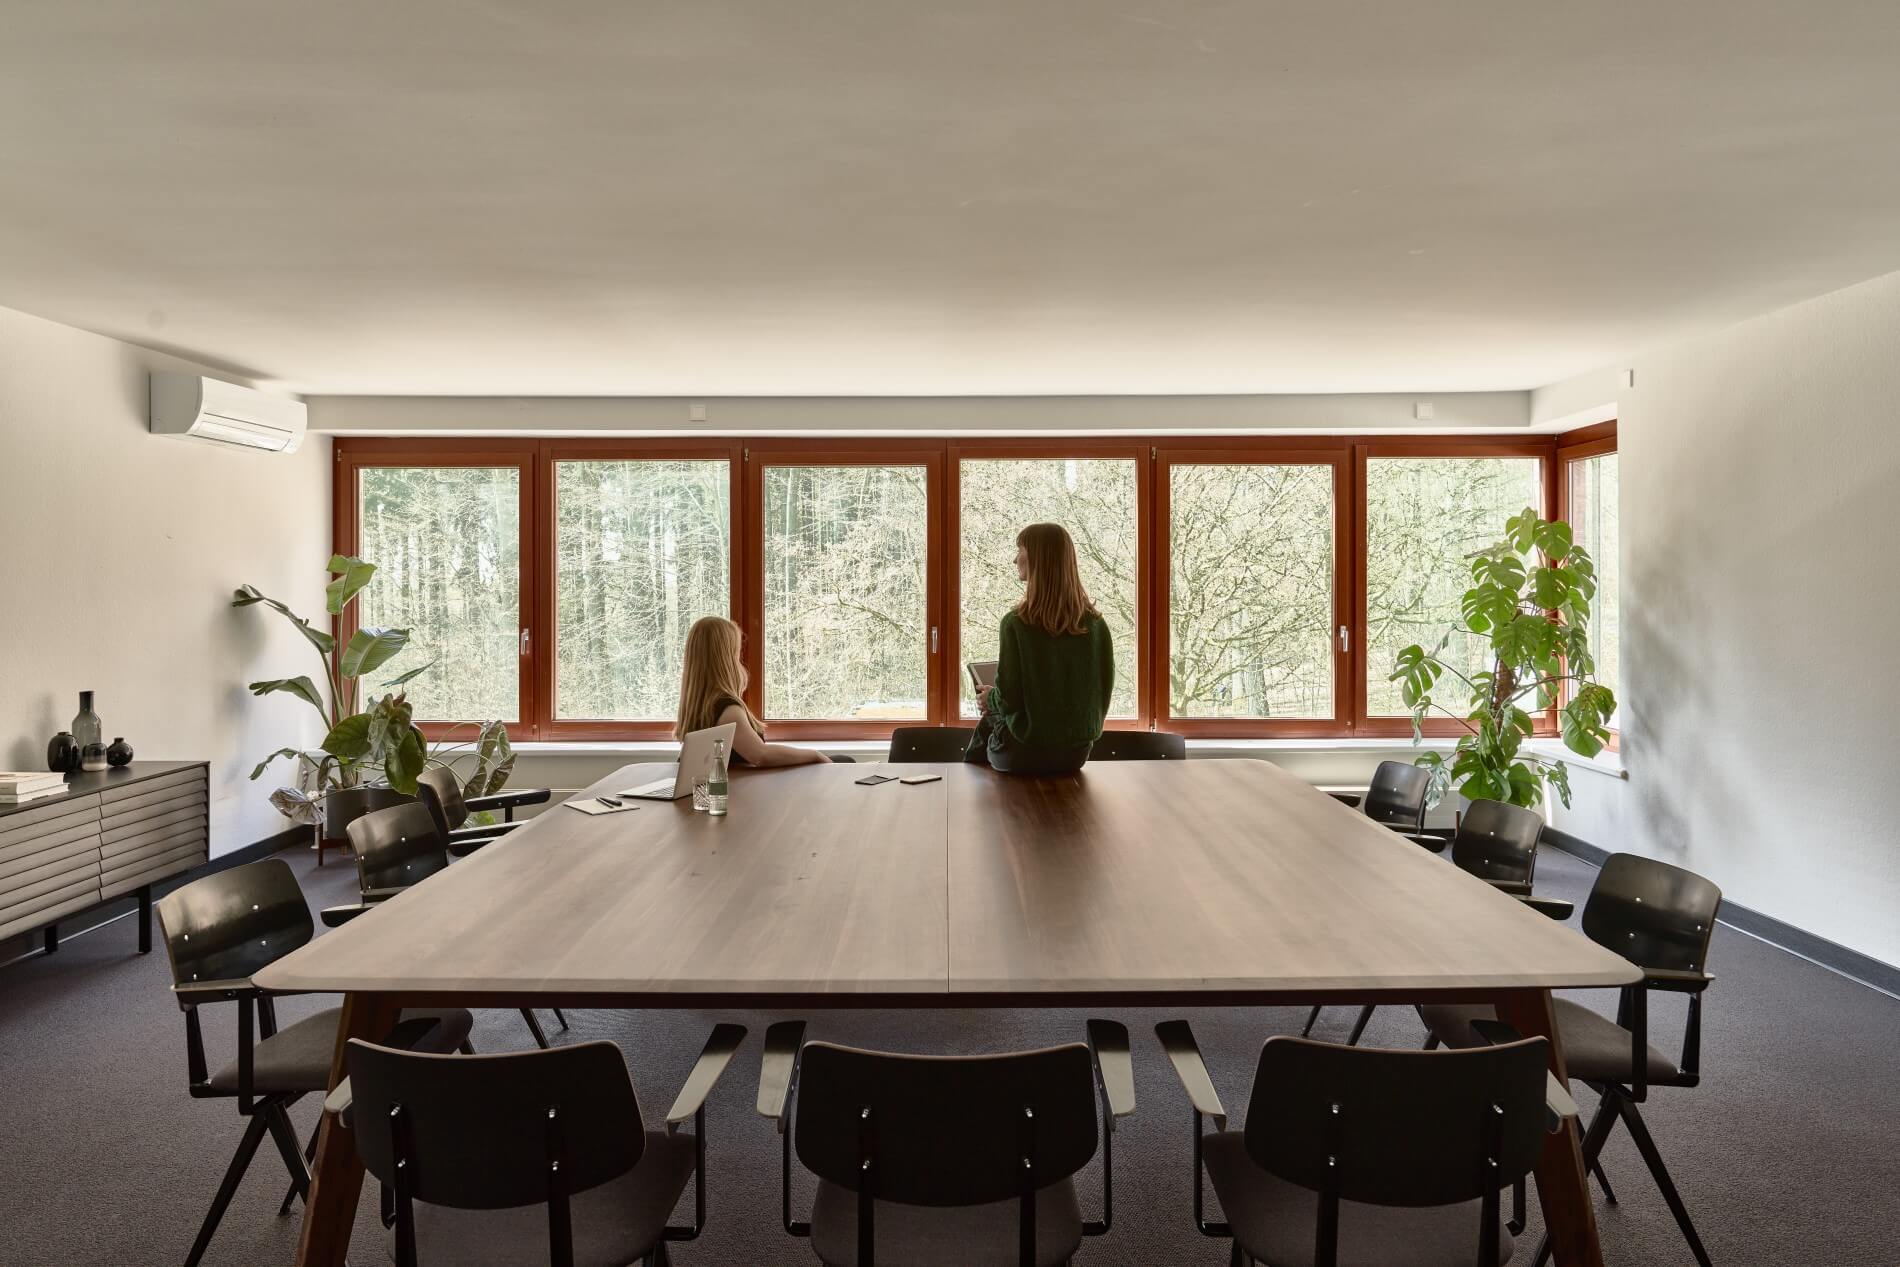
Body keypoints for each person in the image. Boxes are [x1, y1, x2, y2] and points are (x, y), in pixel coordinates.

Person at [965, 523, 1113, 775]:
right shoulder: (1096, 624)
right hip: (1076, 755)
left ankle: (966, 798)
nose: (1014, 560)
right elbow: (1102, 691)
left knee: (988, 722)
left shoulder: (1016, 623)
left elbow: (1009, 698)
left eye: (1020, 550)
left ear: (1036, 558)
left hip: (1023, 753)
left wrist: (989, 697)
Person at [675, 616, 831, 768]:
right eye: (736, 653)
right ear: (726, 659)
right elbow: (761, 755)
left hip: (732, 787)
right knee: (843, 761)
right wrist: (814, 755)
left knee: (842, 760)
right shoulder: (728, 710)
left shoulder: (699, 705)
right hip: (740, 791)